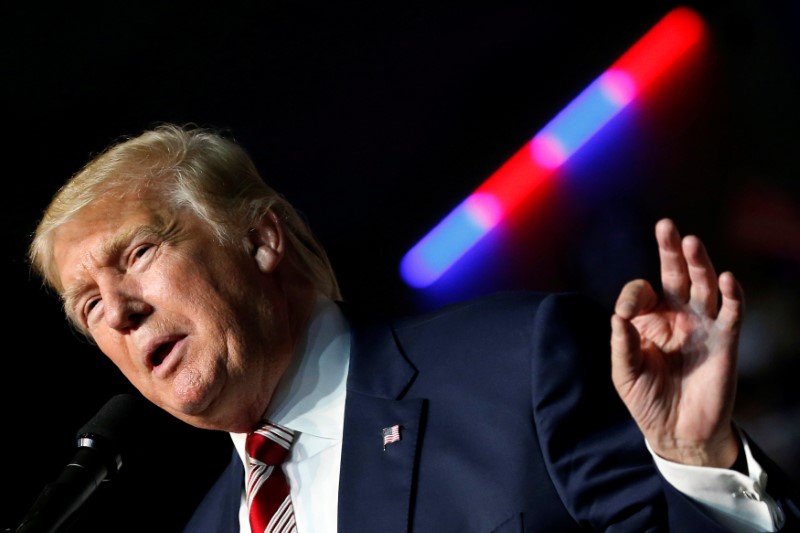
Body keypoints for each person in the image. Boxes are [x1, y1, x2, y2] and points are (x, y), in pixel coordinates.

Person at [27, 123, 798, 532]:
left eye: (137, 254)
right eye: (88, 305)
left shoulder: (516, 365)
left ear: (261, 238)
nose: (119, 311)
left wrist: (697, 461)